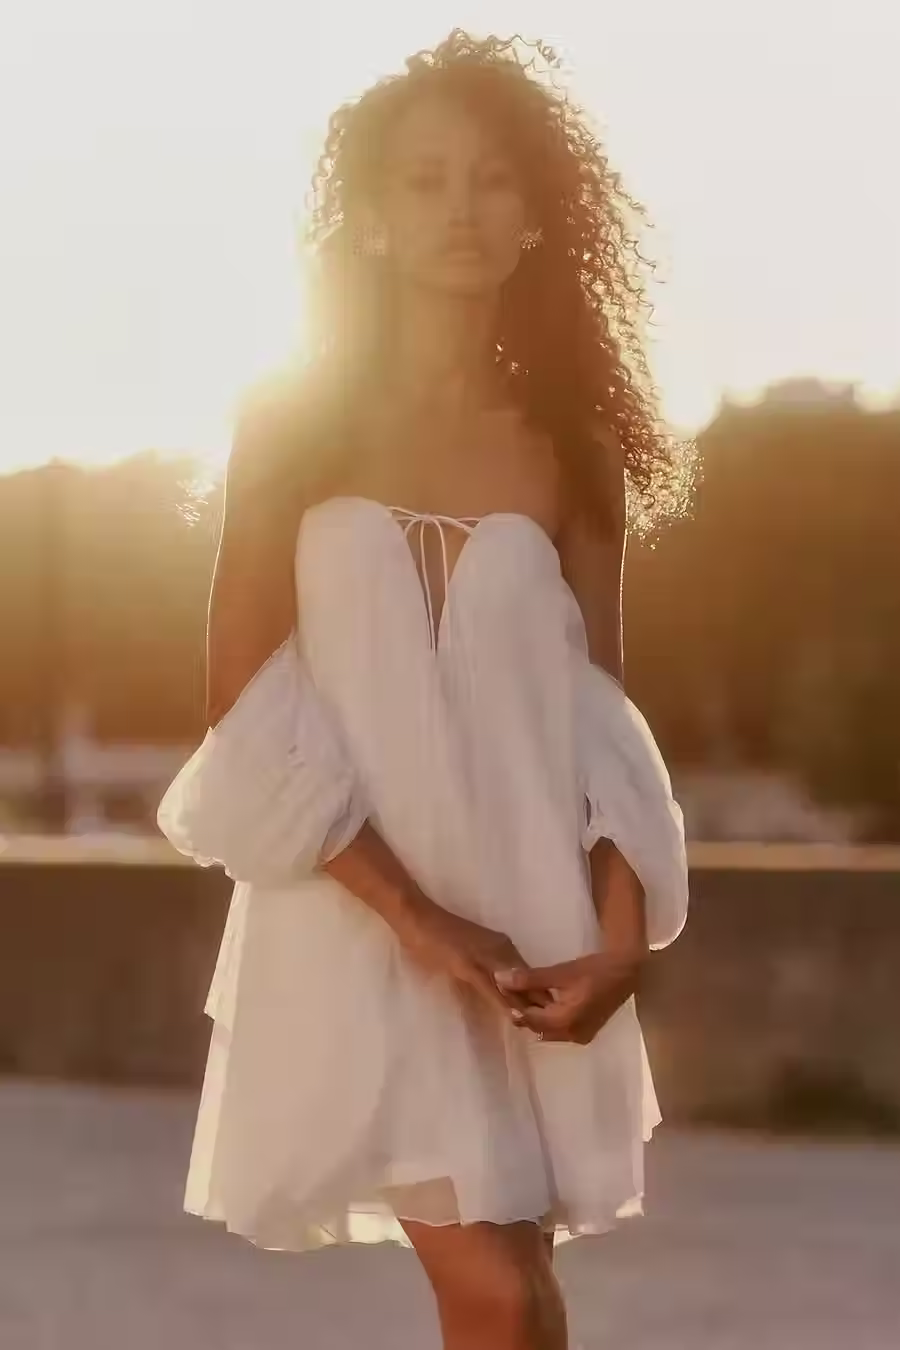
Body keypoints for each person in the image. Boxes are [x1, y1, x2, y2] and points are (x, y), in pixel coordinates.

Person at [158, 30, 690, 1350]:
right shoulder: (294, 421)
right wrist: (419, 921)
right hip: (357, 915)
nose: (461, 209)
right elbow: (242, 696)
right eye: (425, 180)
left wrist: (619, 939)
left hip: (528, 920)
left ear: (536, 220)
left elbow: (601, 720)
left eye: (495, 180)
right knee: (502, 1294)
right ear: (376, 219)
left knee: (515, 1296)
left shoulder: (573, 447)